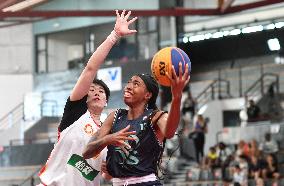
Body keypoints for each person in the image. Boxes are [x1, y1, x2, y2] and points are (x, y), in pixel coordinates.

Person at [38, 10, 137, 186]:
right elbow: (90, 69)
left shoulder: (109, 133)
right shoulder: (75, 113)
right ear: (83, 97)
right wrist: (114, 36)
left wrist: (110, 171)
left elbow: (106, 176)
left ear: (106, 101)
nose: (97, 92)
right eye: (92, 89)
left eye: (101, 91)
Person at [83, 61, 190, 184]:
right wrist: (108, 139)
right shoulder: (115, 116)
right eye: (129, 82)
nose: (128, 86)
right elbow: (86, 152)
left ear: (147, 95)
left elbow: (170, 132)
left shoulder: (155, 116)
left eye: (136, 84)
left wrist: (176, 97)